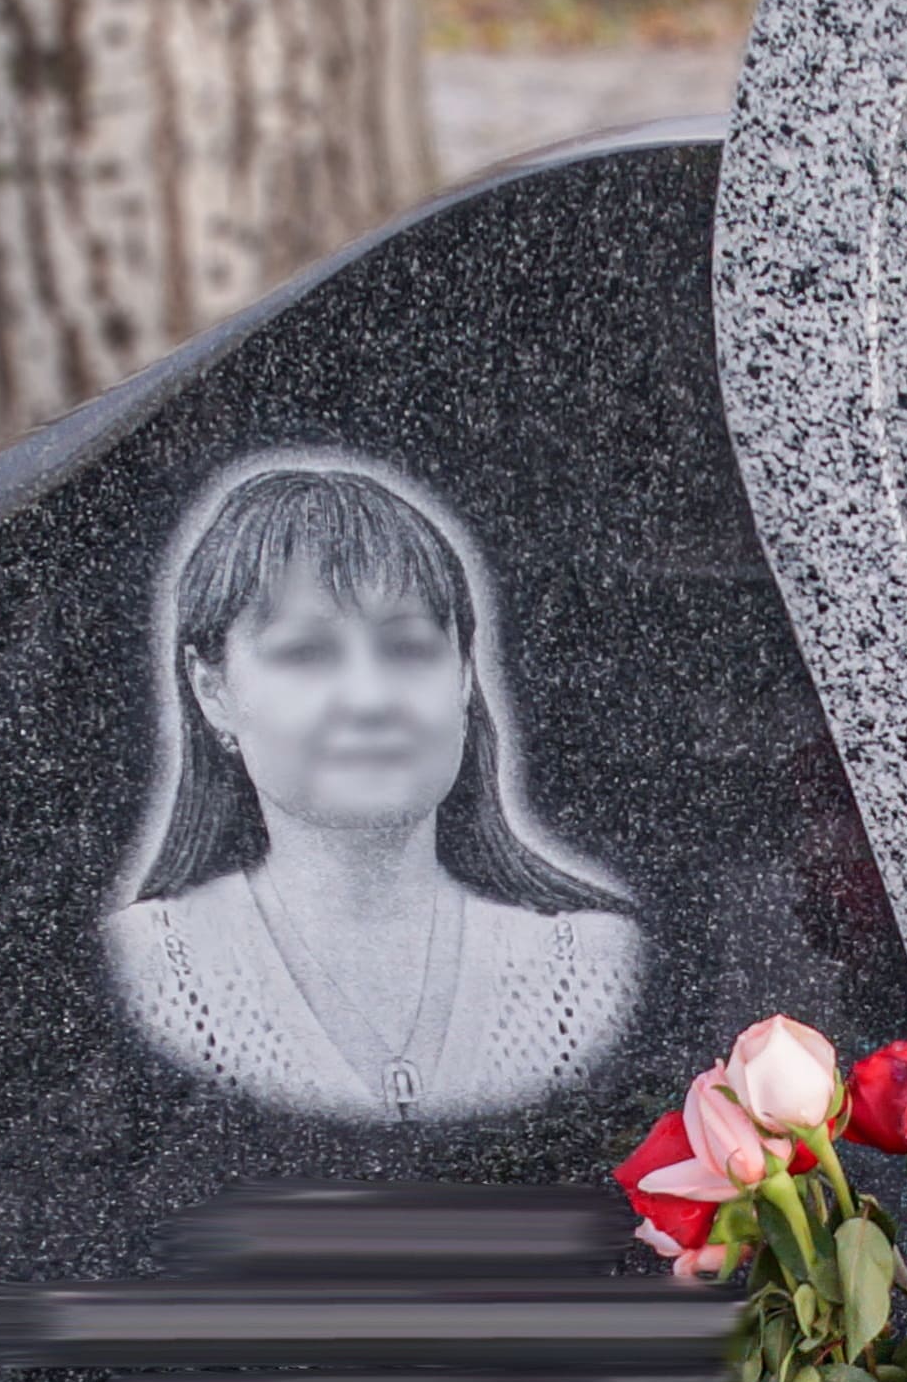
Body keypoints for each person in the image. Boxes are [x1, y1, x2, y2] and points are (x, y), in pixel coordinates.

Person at [107, 459, 638, 1123]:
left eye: (407, 648)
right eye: (306, 652)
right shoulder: (138, 972)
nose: (369, 698)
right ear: (211, 689)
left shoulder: (598, 967)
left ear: (464, 674)